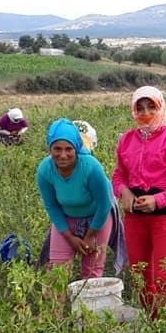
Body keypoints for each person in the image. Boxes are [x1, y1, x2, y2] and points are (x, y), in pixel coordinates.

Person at [113, 86, 166, 317]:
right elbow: (119, 175)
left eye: (151, 106)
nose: (145, 112)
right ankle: (151, 327)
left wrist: (158, 200)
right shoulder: (127, 140)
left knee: (163, 277)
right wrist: (124, 192)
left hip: (164, 218)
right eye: (139, 107)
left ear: (161, 107)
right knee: (140, 276)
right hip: (135, 218)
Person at [36, 118, 113, 279]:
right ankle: (55, 305)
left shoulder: (91, 167)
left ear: (76, 148)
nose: (63, 155)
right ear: (50, 148)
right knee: (57, 272)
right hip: (67, 218)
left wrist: (91, 235)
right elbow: (52, 206)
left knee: (92, 272)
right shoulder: (45, 170)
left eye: (68, 149)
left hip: (98, 218)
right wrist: (69, 237)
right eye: (57, 149)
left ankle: (88, 303)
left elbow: (104, 204)